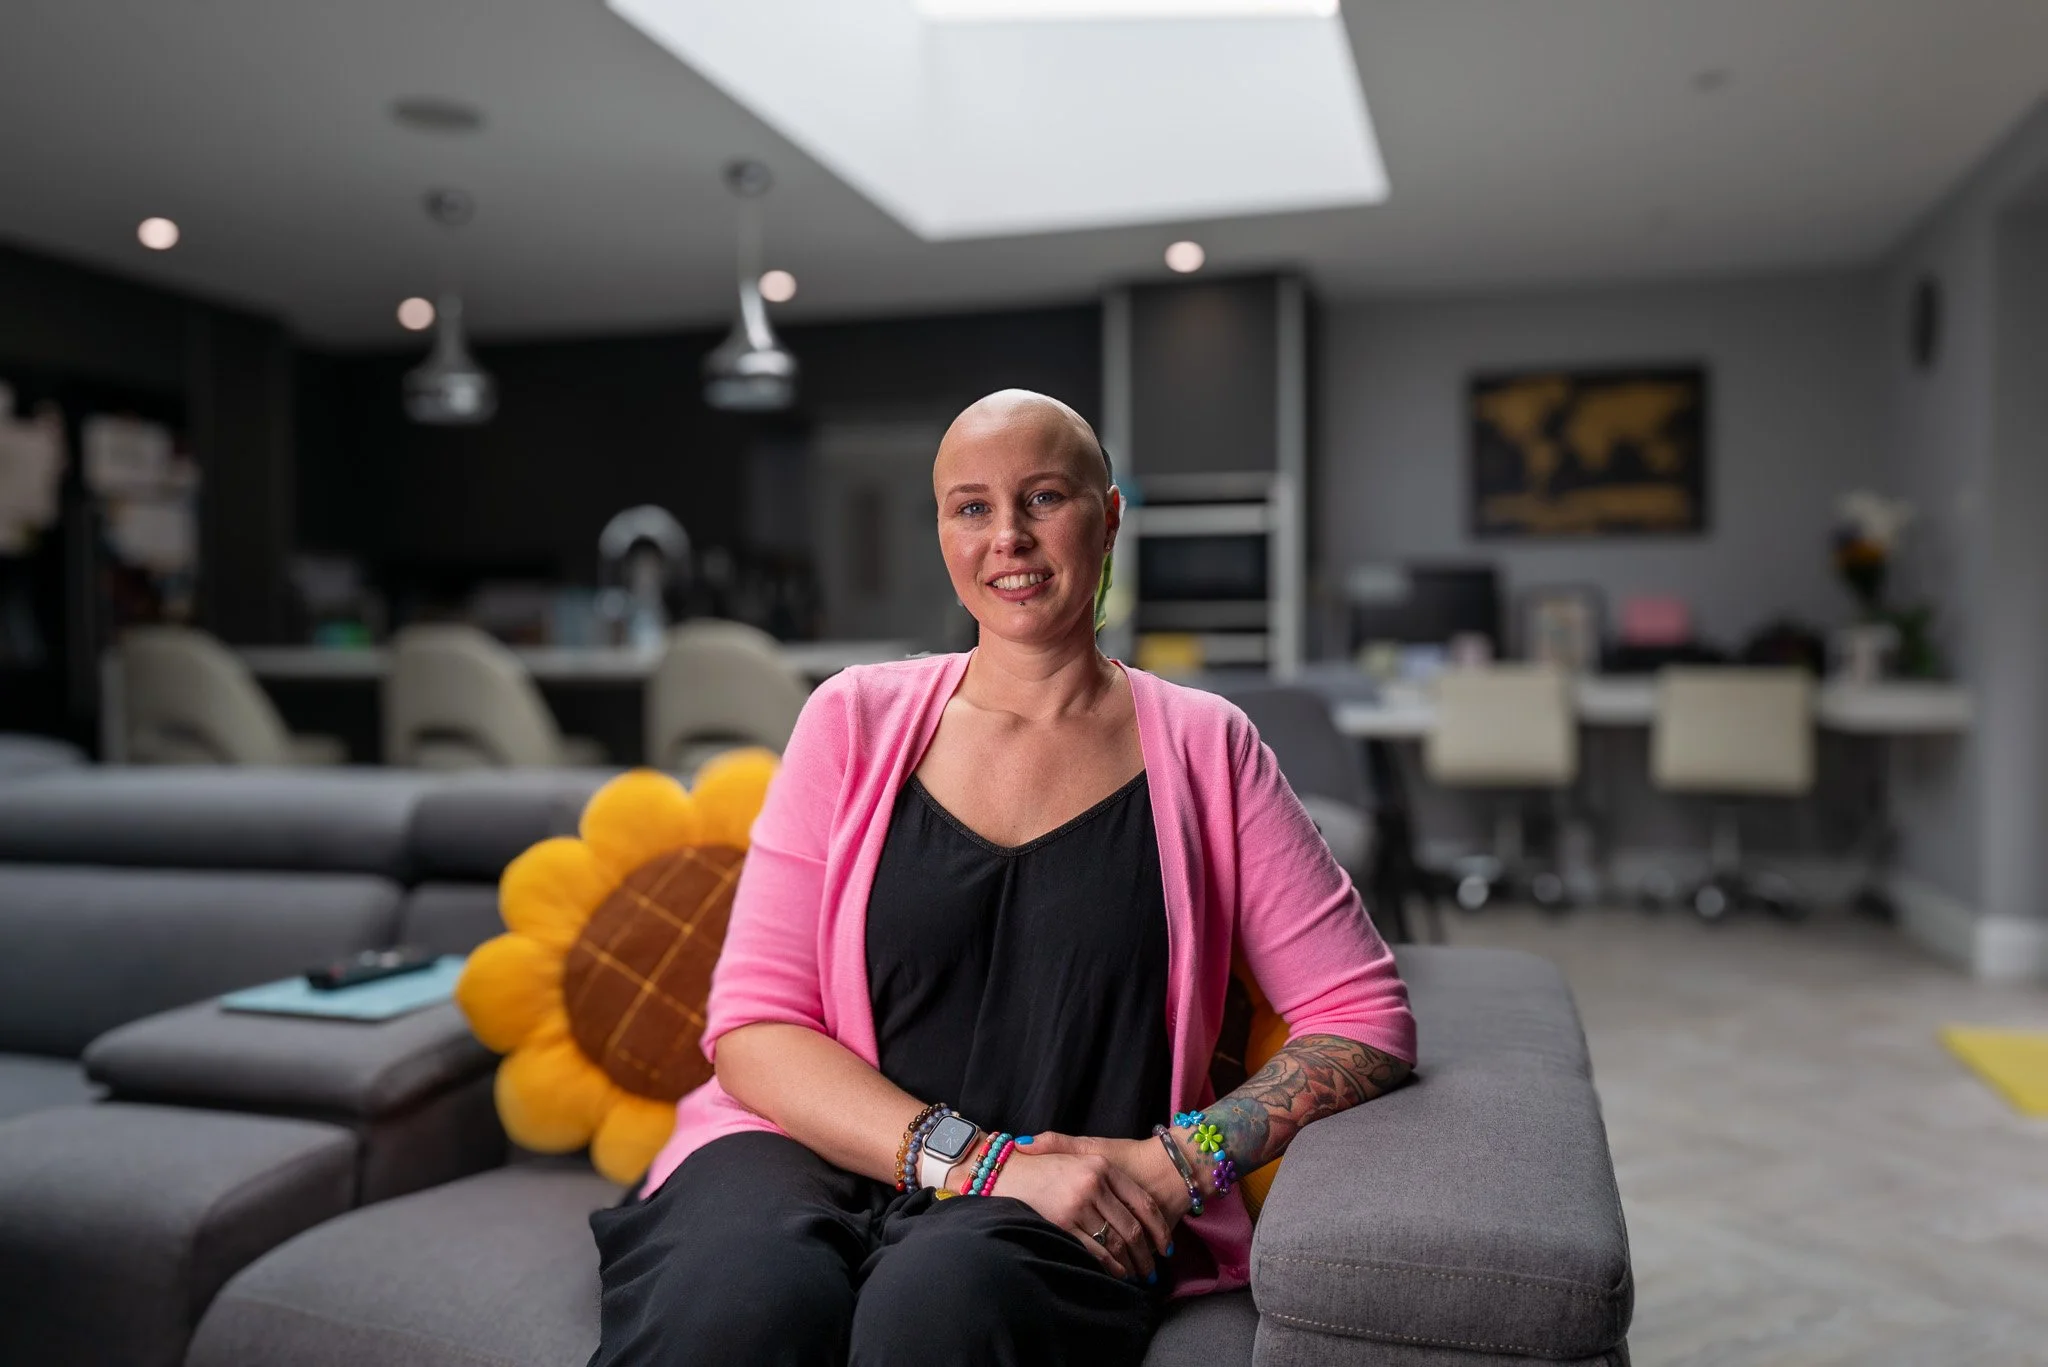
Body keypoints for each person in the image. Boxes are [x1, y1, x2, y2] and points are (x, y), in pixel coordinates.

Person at [588, 390, 1416, 1367]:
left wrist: (1177, 1159)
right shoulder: (849, 717)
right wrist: (980, 1162)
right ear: (941, 528)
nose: (1007, 538)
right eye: (970, 506)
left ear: (1107, 517)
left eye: (1044, 497)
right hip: (804, 1147)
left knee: (935, 1312)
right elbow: (753, 1025)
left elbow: (1361, 1015)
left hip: (1058, 1196)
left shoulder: (1210, 746)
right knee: (733, 1307)